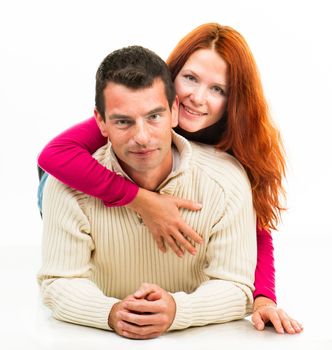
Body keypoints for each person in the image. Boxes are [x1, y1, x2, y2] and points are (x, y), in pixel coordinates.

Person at [37, 23, 303, 334]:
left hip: (205, 182)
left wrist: (263, 298)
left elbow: (255, 231)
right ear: (173, 75)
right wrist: (143, 201)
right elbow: (53, 156)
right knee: (58, 186)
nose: (197, 98)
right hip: (78, 178)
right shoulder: (133, 106)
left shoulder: (231, 167)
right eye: (190, 78)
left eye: (218, 89)